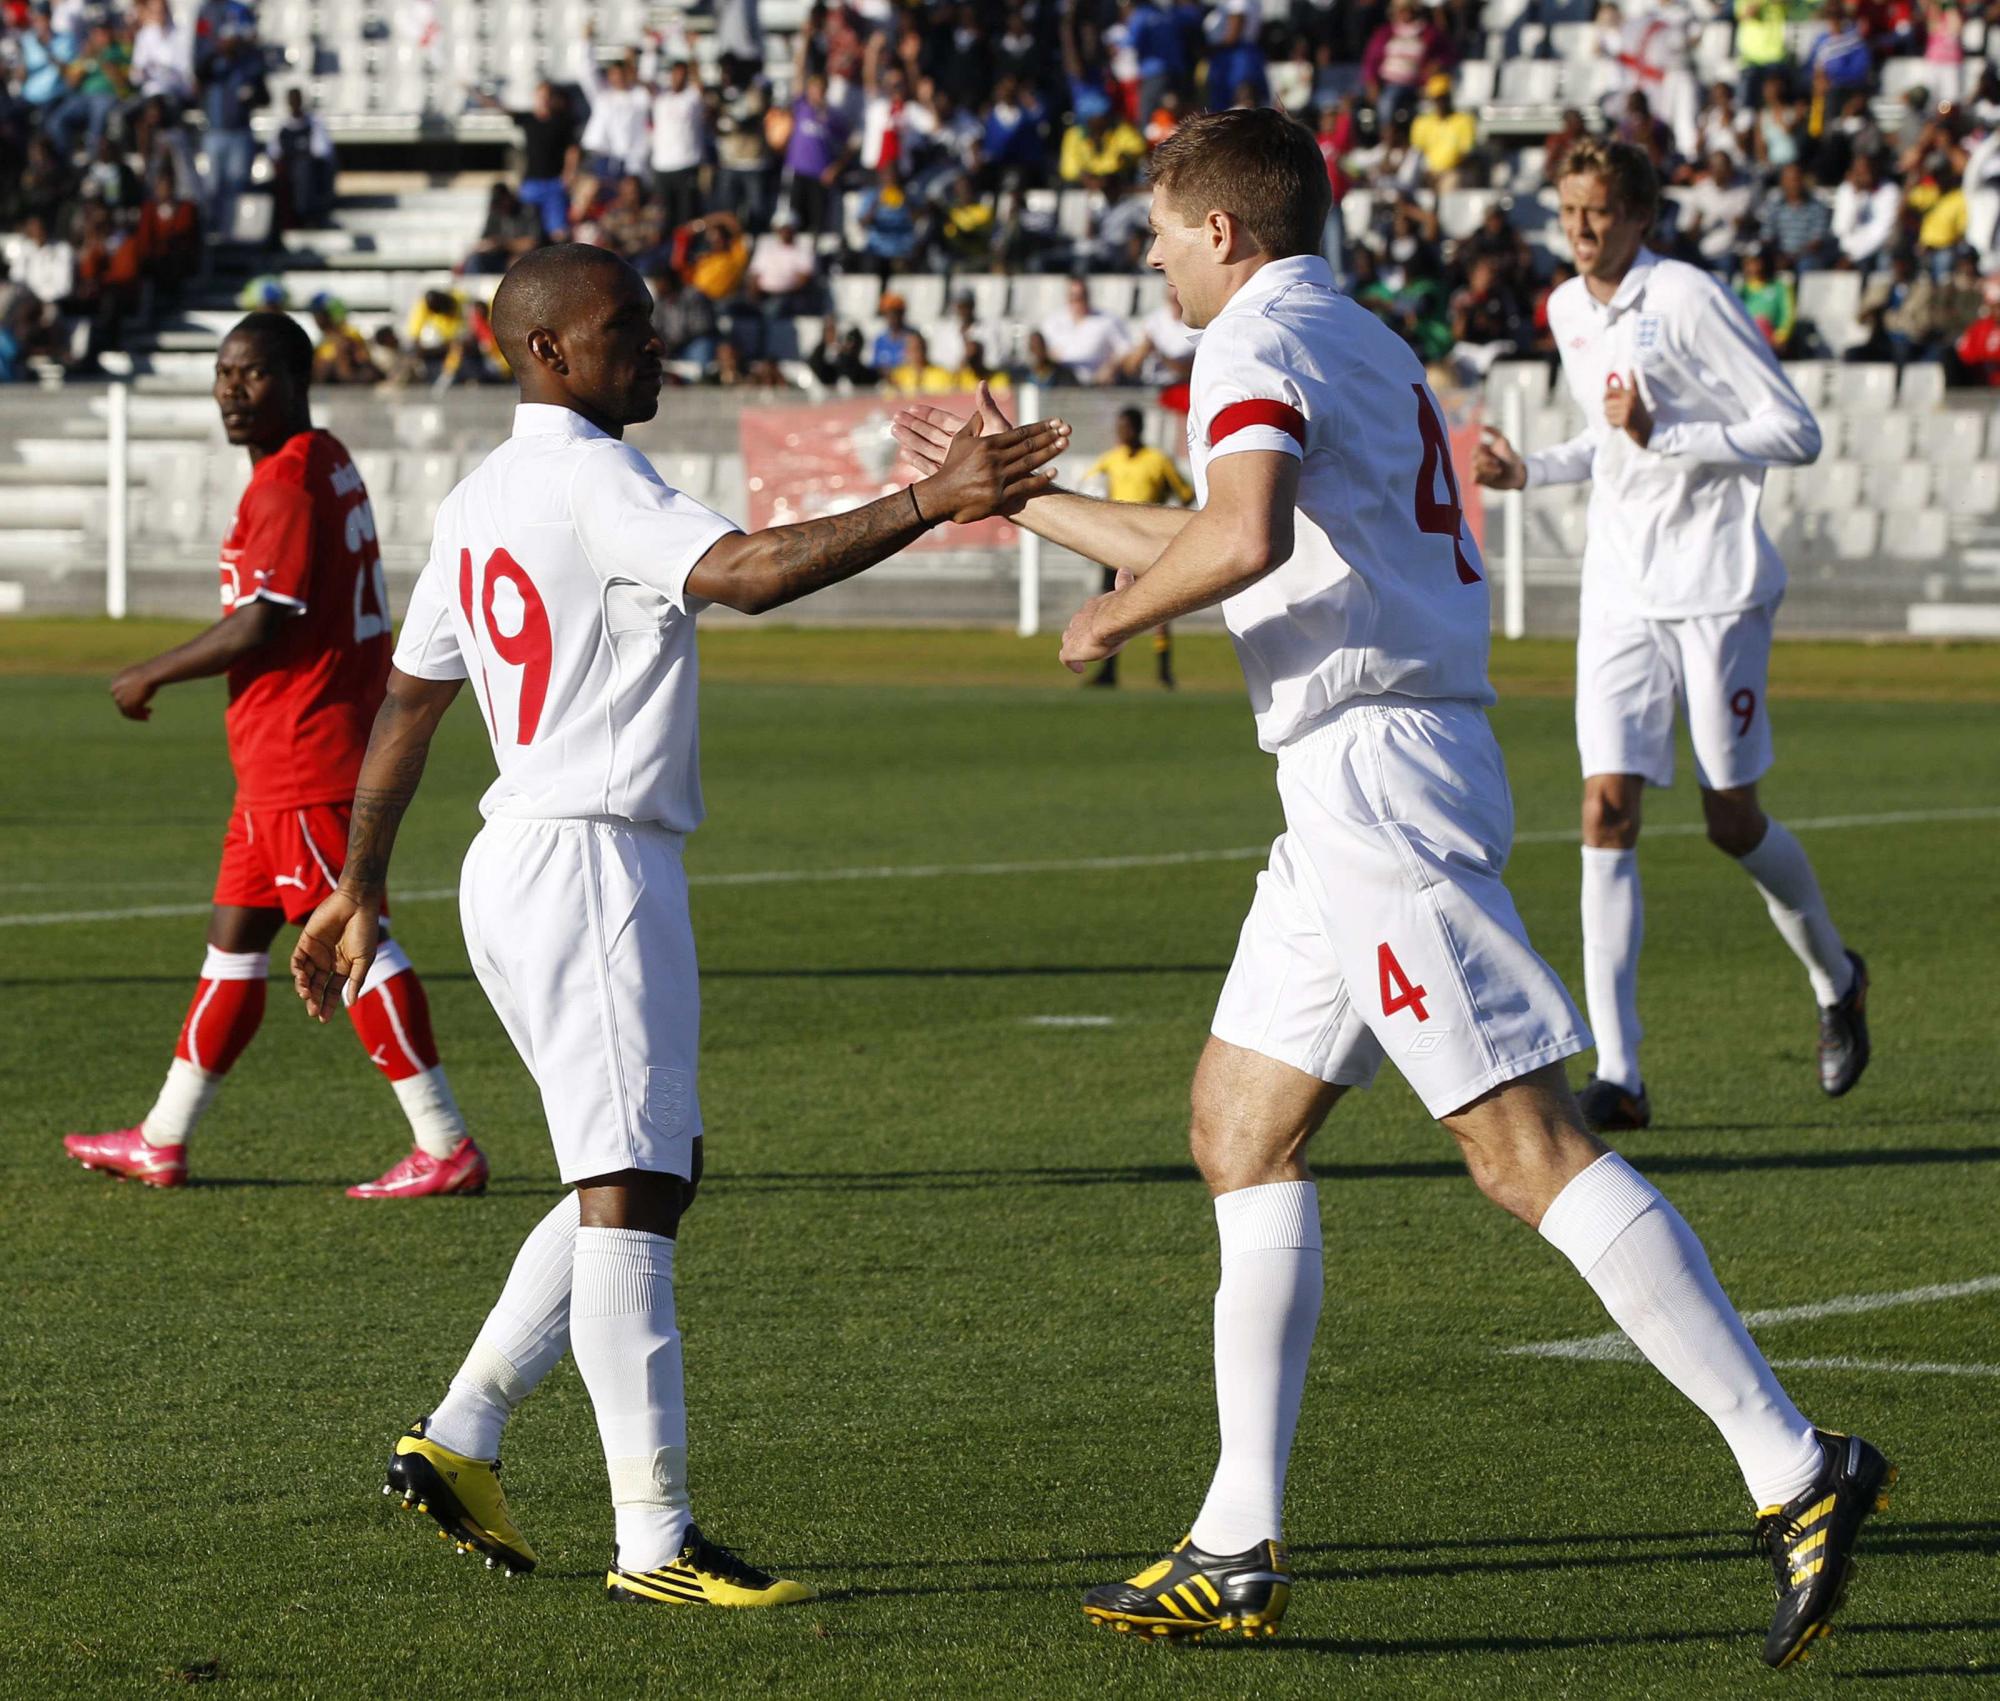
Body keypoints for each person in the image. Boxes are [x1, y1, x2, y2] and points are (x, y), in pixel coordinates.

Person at [895, 107, 1890, 1668]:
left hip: (1376, 777)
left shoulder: (1254, 339)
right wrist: (1016, 502)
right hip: (1354, 779)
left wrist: (1105, 623)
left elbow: (1233, 538)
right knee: (1240, 1126)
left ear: (1222, 230)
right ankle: (1237, 1539)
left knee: (1523, 1145)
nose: (1147, 254)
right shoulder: (1346, 332)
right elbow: (1241, 537)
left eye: (1159, 227)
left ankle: (1794, 1465)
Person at [285, 242, 1066, 1604]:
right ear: (545, 353)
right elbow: (752, 572)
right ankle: (656, 1541)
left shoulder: (480, 496)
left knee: (643, 1166)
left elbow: (413, 701)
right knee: (636, 1185)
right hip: (589, 858)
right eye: (625, 331)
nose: (654, 349)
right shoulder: (596, 477)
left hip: (517, 860)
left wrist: (363, 881)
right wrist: (937, 497)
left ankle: (464, 1434)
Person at [1473, 138, 1869, 1133]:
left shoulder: (1685, 298)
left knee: (1728, 819)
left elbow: (1794, 432)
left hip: (1715, 587)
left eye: (1597, 212)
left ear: (1642, 216)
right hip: (1619, 590)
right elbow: (1610, 442)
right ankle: (1620, 1075)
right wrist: (1532, 470)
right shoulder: (1567, 308)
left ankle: (1835, 976)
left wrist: (1672, 437)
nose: (1578, 229)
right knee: (1603, 809)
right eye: (1566, 211)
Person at [62, 314, 483, 1200]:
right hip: (277, 758)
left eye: (250, 374)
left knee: (356, 931)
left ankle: (443, 1141)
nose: (231, 390)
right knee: (233, 945)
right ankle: (162, 1137)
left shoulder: (287, 483)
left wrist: (150, 670)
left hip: (307, 750)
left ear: (295, 379)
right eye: (223, 374)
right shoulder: (324, 457)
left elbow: (265, 618)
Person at [1079, 406, 1192, 688]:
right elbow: (1088, 487)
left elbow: (1186, 494)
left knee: (1160, 609)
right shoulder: (1110, 460)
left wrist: (1164, 520)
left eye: (1126, 427)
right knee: (1110, 606)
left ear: (1138, 429)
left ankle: (1164, 672)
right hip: (1115, 545)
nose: (1122, 432)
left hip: (1148, 546)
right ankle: (1108, 672)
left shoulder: (1157, 460)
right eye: (1119, 427)